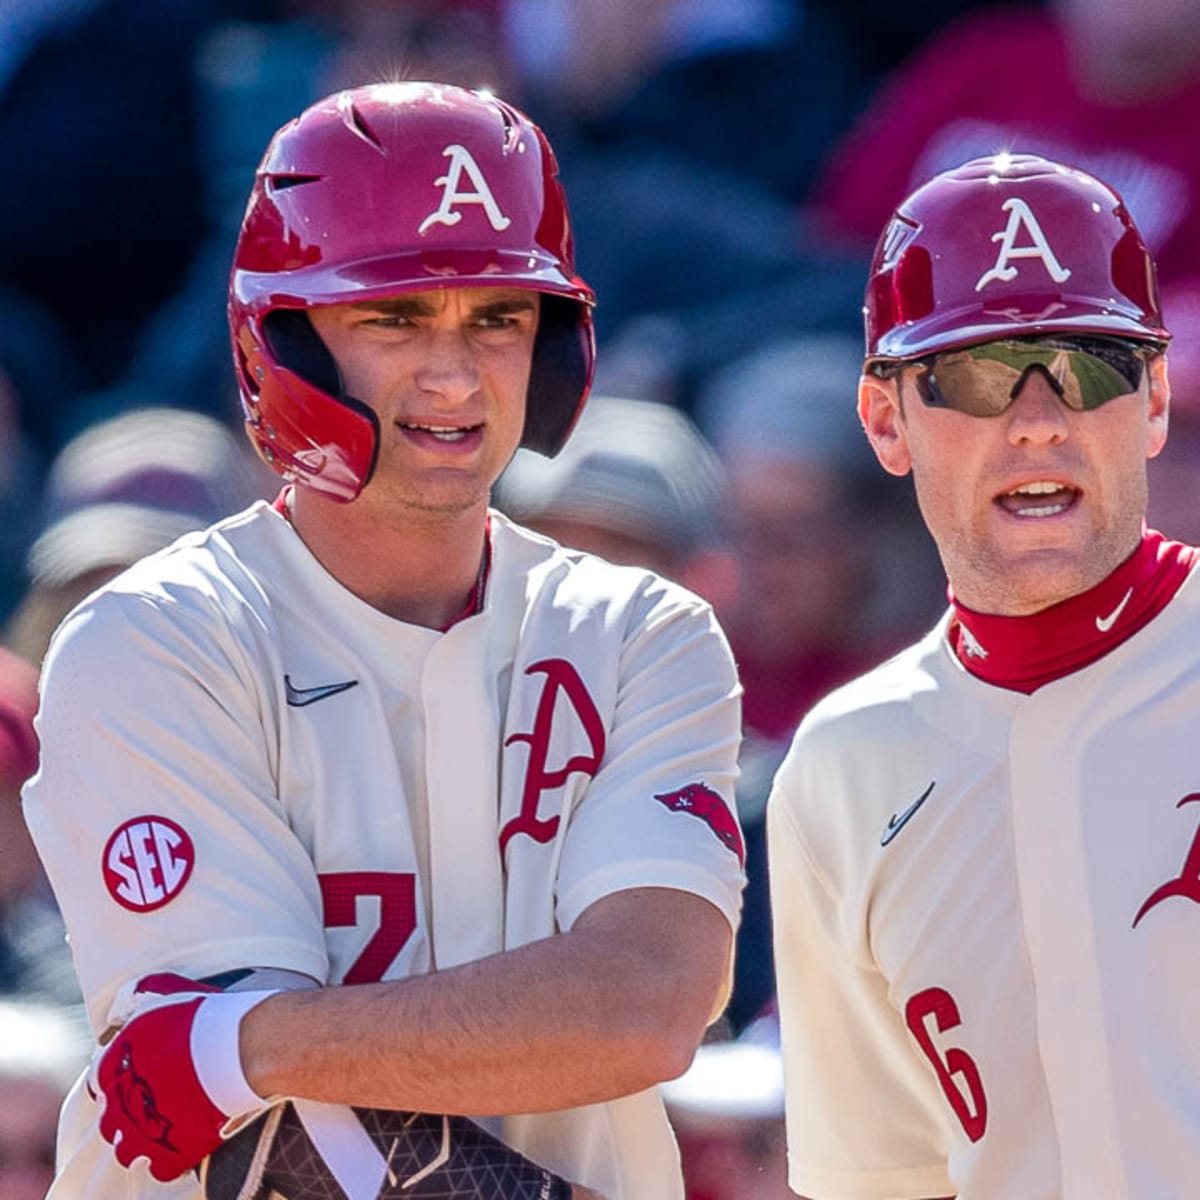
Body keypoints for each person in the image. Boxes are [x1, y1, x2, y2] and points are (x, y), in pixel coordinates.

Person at [22, 82, 744, 1200]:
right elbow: (286, 1148)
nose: (455, 374)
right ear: (285, 344)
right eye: (394, 317)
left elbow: (644, 1009)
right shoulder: (156, 640)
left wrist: (243, 1044)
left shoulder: (642, 631)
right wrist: (257, 1062)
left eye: (498, 318)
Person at [768, 151, 1200, 1198]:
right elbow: (882, 1181)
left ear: (1152, 398)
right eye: (975, 372)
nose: (1040, 418)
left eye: (1090, 363)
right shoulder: (840, 767)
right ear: (885, 421)